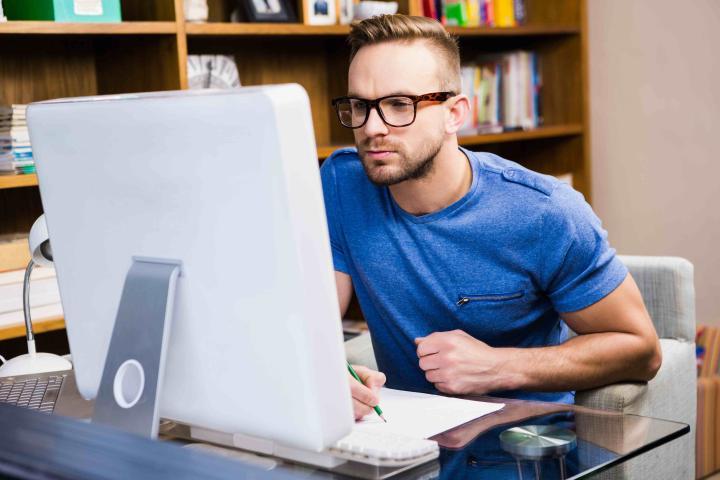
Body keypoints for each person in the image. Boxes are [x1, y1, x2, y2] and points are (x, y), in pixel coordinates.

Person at [322, 14, 662, 420]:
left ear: (455, 113)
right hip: (401, 442)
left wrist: (497, 366)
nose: (372, 127)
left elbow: (641, 349)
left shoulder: (546, 211)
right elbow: (315, 321)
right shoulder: (342, 182)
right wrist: (328, 374)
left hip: (520, 450)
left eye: (400, 105)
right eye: (360, 105)